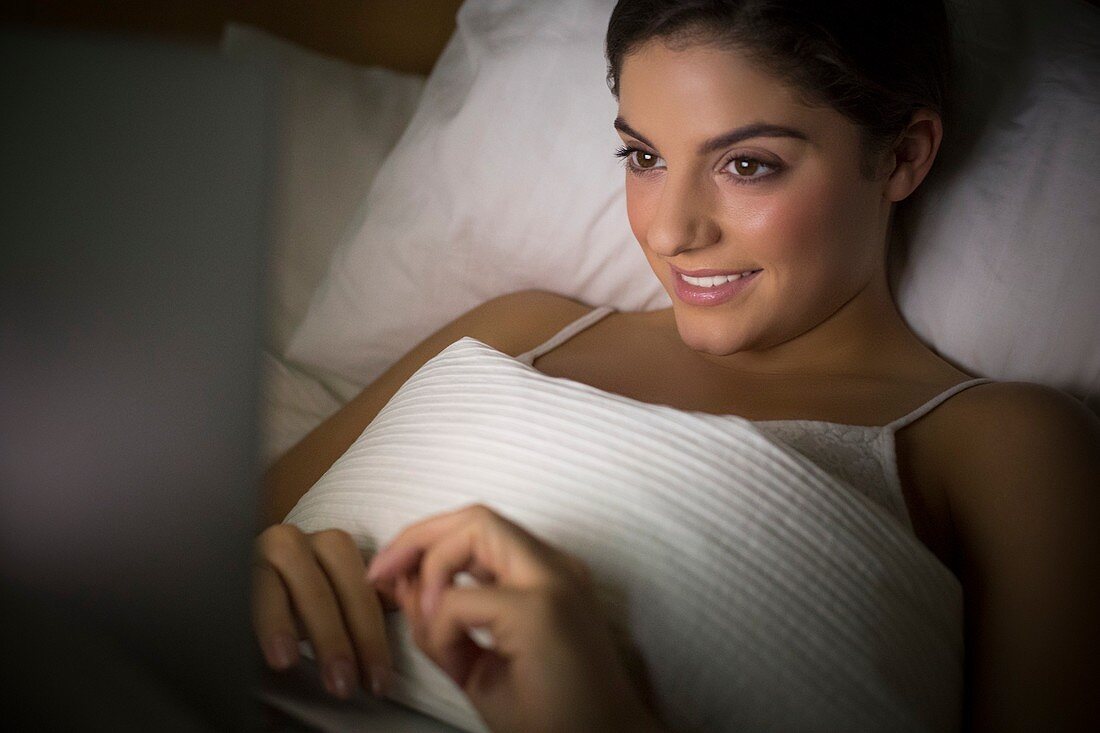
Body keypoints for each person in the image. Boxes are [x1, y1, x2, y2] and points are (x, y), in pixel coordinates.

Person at [253, 1, 1100, 730]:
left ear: (904, 156)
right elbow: (204, 546)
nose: (668, 232)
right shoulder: (522, 325)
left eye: (746, 164)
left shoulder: (1001, 447)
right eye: (644, 157)